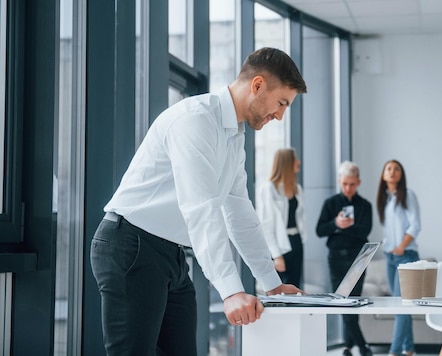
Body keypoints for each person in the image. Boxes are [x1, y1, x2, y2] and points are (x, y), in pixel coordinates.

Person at [90, 47, 307, 356]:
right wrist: (231, 291)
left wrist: (271, 283)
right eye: (281, 102)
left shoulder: (233, 136)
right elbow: (202, 209)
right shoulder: (195, 120)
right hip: (131, 245)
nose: (281, 115)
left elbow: (240, 214)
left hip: (171, 254)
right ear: (257, 85)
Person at [316, 161, 374, 356]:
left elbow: (365, 231)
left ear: (358, 182)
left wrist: (345, 227)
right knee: (341, 301)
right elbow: (320, 230)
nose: (348, 188)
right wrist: (336, 223)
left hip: (359, 258)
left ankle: (349, 347)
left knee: (353, 302)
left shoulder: (365, 205)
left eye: (352, 184)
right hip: (336, 259)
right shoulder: (330, 204)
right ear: (340, 181)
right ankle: (362, 346)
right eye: (345, 184)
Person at [375, 159, 421, 356]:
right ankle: (408, 349)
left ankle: (393, 352)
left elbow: (415, 225)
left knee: (400, 305)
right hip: (391, 257)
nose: (392, 172)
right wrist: (388, 246)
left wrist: (401, 246)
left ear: (401, 174)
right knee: (401, 305)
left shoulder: (408, 195)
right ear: (383, 175)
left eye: (396, 169)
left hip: (406, 256)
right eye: (389, 169)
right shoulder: (384, 198)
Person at [256, 148, 307, 288]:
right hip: (279, 245)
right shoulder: (269, 189)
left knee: (295, 287)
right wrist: (276, 255)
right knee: (278, 290)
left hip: (296, 242)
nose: (299, 162)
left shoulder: (297, 189)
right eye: (295, 159)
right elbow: (266, 226)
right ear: (287, 163)